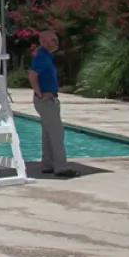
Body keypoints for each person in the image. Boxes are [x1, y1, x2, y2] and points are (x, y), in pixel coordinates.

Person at [28, 31, 73, 177]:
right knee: (56, 133)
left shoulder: (47, 56)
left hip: (48, 99)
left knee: (48, 134)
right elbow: (32, 75)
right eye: (53, 40)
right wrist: (40, 94)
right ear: (45, 42)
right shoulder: (41, 57)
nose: (56, 43)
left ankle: (47, 164)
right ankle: (61, 166)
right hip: (46, 101)